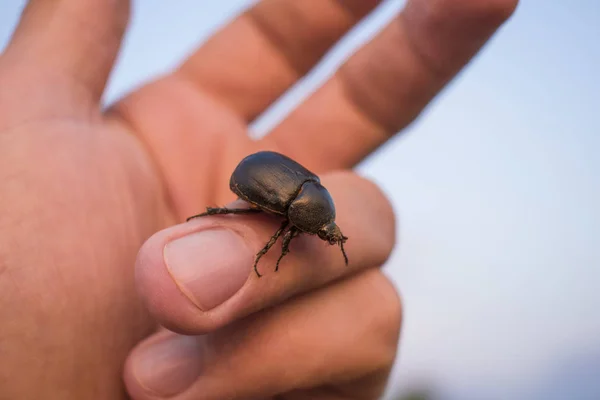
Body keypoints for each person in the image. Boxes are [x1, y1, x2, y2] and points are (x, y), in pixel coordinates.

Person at [0, 0, 518, 398]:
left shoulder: (315, 204)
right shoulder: (301, 212)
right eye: (324, 231)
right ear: (311, 218)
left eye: (325, 233)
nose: (327, 236)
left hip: (273, 183)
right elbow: (285, 233)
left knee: (255, 236)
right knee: (246, 226)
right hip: (256, 181)